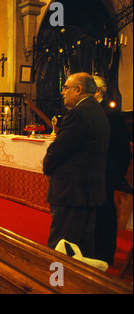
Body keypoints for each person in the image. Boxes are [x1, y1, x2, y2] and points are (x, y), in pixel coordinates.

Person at [43, 72, 110, 259]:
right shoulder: (98, 111)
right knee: (83, 245)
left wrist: (47, 168)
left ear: (78, 89)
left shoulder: (78, 114)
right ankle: (80, 285)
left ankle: (57, 283)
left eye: (66, 88)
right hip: (89, 190)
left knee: (62, 246)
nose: (63, 92)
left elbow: (58, 149)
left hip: (71, 193)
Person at [93, 75, 132, 265]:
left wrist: (116, 173)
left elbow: (122, 147)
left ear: (98, 91)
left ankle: (105, 253)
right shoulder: (91, 110)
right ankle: (95, 248)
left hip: (107, 171)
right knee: (96, 212)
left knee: (106, 212)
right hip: (96, 171)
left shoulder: (109, 113)